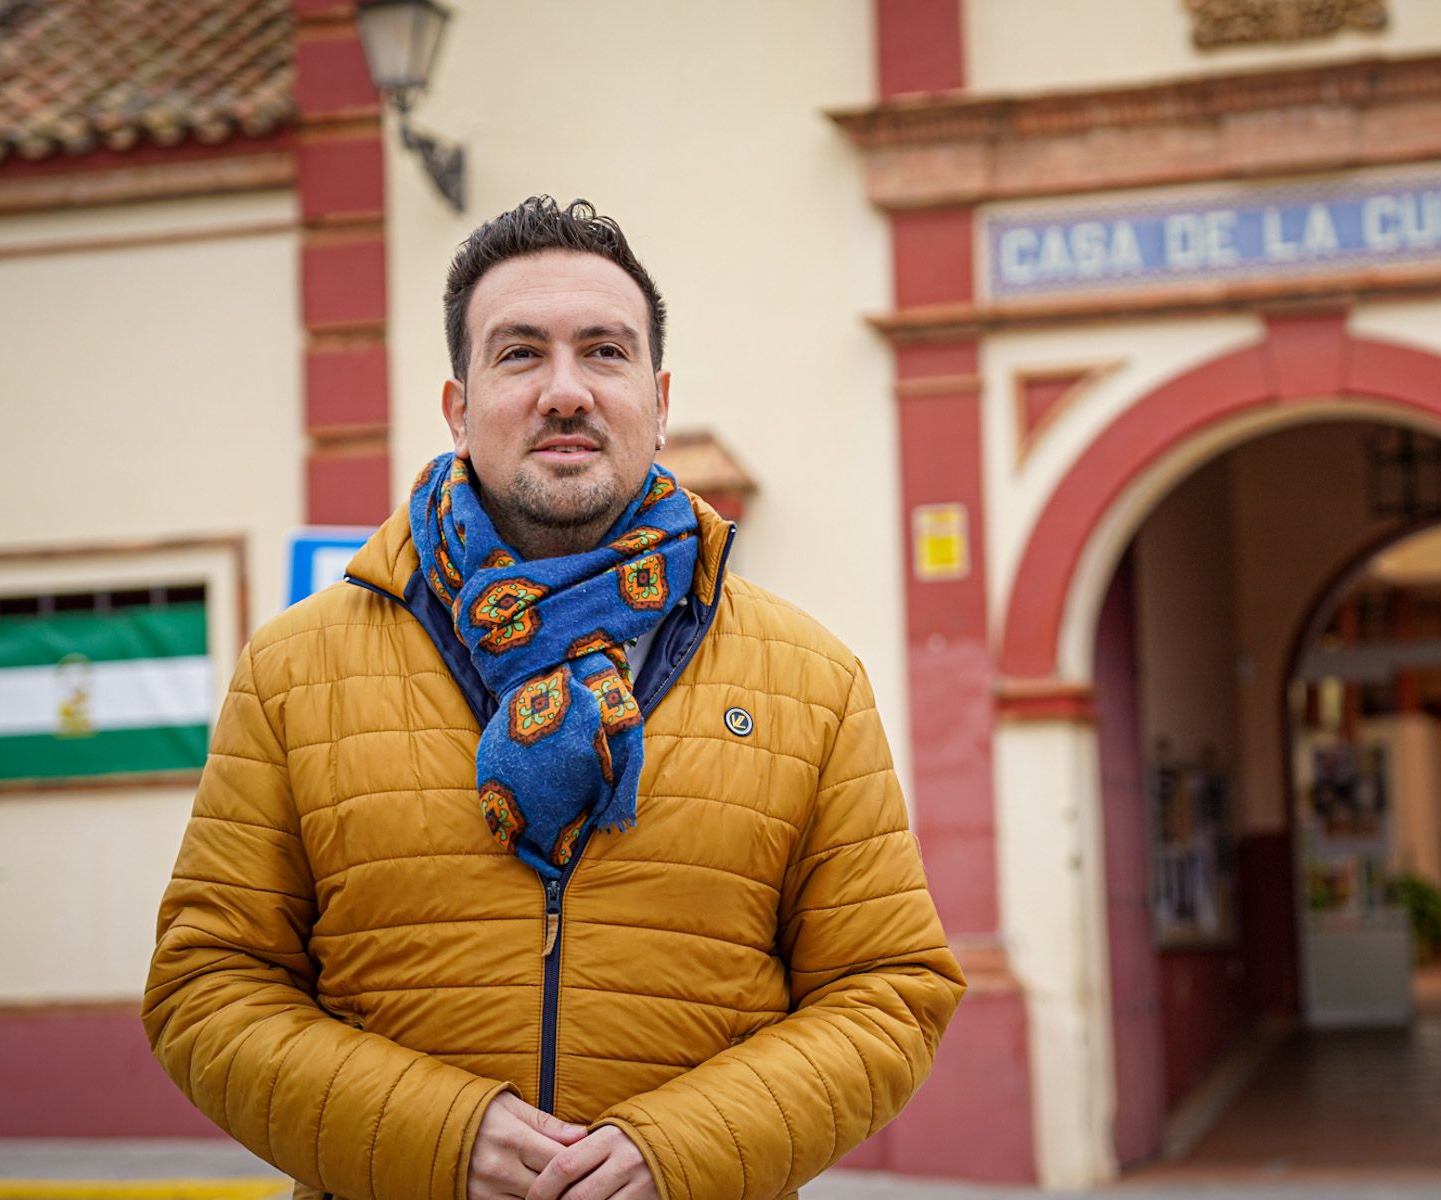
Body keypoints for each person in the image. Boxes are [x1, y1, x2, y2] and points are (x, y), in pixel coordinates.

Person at [144, 196, 964, 1200]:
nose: (565, 391)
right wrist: (439, 1139)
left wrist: (683, 1151)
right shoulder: (294, 670)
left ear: (657, 399)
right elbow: (208, 987)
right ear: (459, 405)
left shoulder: (809, 679)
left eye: (605, 353)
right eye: (520, 353)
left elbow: (887, 991)